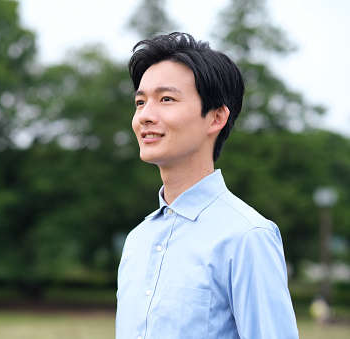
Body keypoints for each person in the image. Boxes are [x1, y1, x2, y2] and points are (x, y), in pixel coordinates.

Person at [116, 32, 299, 339]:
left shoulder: (247, 237)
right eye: (139, 101)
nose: (145, 115)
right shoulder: (137, 240)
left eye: (166, 99)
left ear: (216, 118)